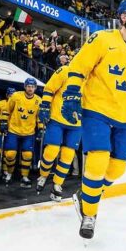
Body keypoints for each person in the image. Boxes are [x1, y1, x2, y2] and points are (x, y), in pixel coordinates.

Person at [61, 0, 126, 239]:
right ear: (123, 17)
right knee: (97, 161)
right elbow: (78, 69)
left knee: (117, 169)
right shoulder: (102, 39)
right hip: (96, 110)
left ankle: (86, 195)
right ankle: (89, 214)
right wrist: (71, 96)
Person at [36, 63, 82, 201]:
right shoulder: (65, 70)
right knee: (51, 151)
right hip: (57, 119)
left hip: (77, 123)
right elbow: (49, 88)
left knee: (68, 155)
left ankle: (57, 184)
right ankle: (43, 175)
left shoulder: (92, 77)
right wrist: (45, 105)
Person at [3, 78, 43, 188]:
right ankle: (9, 174)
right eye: (28, 86)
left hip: (29, 132)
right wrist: (3, 122)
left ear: (35, 88)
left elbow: (39, 116)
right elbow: (7, 109)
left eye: (32, 87)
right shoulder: (16, 96)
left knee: (27, 155)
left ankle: (25, 176)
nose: (30, 88)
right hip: (13, 130)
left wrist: (40, 128)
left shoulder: (38, 100)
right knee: (10, 154)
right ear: (25, 86)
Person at [0, 87, 15, 175]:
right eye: (10, 95)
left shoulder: (17, 105)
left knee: (7, 152)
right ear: (7, 95)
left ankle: (5, 170)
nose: (11, 97)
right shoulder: (0, 104)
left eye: (13, 96)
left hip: (11, 131)